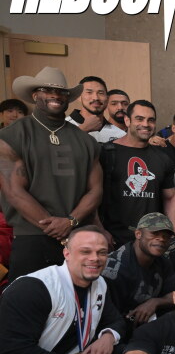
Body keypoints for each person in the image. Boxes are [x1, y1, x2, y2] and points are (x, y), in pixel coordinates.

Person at [0, 67, 102, 279]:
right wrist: (55, 226)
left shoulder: (86, 141)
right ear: (34, 95)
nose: (55, 95)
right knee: (28, 298)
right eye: (47, 90)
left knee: (76, 299)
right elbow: (14, 191)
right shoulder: (12, 135)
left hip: (77, 237)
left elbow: (95, 190)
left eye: (61, 92)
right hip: (31, 237)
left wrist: (70, 222)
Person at [98, 100, 175, 247]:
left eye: (151, 120)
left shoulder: (162, 158)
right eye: (139, 119)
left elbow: (171, 197)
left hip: (149, 241)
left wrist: (174, 233)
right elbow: (92, 194)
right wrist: (100, 230)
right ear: (127, 120)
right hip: (112, 240)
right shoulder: (106, 153)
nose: (146, 124)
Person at [102, 213, 175, 337]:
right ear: (138, 234)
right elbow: (108, 317)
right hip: (112, 332)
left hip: (144, 327)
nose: (161, 239)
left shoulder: (163, 262)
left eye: (166, 236)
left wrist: (155, 302)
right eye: (154, 234)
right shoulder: (116, 269)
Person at [66, 76, 125, 143]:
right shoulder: (64, 126)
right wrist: (83, 129)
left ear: (107, 99)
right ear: (79, 97)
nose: (96, 98)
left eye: (100, 93)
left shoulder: (120, 135)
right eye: (89, 92)